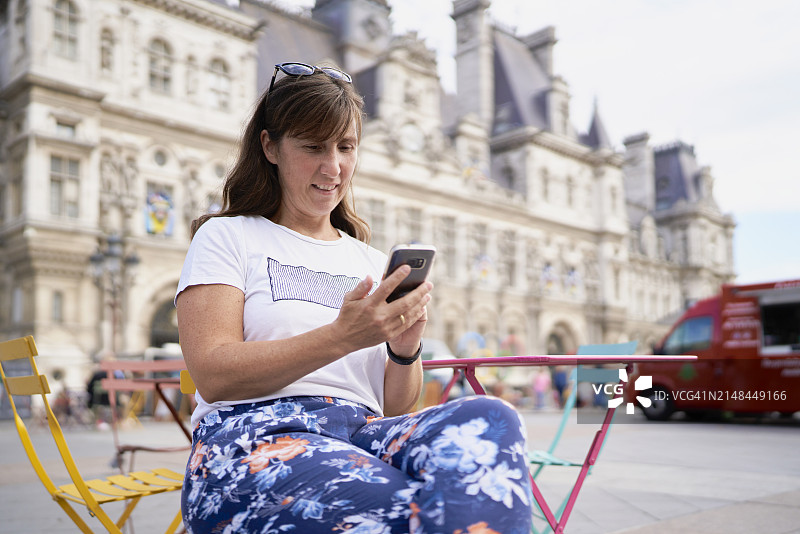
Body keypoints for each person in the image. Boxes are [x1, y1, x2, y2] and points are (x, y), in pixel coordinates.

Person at [175, 61, 533, 533]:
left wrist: (404, 350)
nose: (334, 167)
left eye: (346, 147)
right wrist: (343, 336)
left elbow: (395, 407)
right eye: (313, 147)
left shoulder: (368, 260)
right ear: (270, 147)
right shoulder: (228, 236)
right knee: (428, 507)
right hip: (253, 440)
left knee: (491, 418)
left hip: (362, 433)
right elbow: (213, 374)